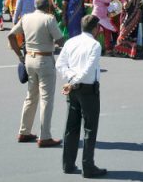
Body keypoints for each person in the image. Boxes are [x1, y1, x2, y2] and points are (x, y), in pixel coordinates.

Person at [6, 0, 63, 147]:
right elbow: (60, 40)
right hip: (44, 59)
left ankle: (24, 131)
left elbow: (11, 36)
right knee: (46, 99)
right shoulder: (49, 19)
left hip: (29, 59)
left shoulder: (26, 18)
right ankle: (45, 136)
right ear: (48, 7)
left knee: (30, 97)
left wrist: (19, 55)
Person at [56, 15, 107, 178]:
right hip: (87, 89)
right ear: (95, 28)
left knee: (71, 127)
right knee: (90, 128)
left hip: (74, 88)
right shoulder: (95, 44)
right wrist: (74, 81)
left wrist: (70, 78)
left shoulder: (71, 41)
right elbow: (88, 70)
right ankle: (88, 166)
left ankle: (68, 164)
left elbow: (60, 64)